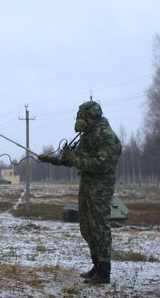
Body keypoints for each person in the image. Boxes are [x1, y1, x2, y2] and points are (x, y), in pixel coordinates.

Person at [38, 101, 122, 284]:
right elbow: (74, 159)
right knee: (86, 227)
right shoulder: (88, 135)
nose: (79, 120)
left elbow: (102, 164)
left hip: (100, 187)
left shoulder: (106, 136)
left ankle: (104, 271)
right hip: (86, 185)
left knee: (99, 226)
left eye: (81, 116)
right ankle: (96, 265)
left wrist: (76, 159)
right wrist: (52, 160)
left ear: (90, 117)